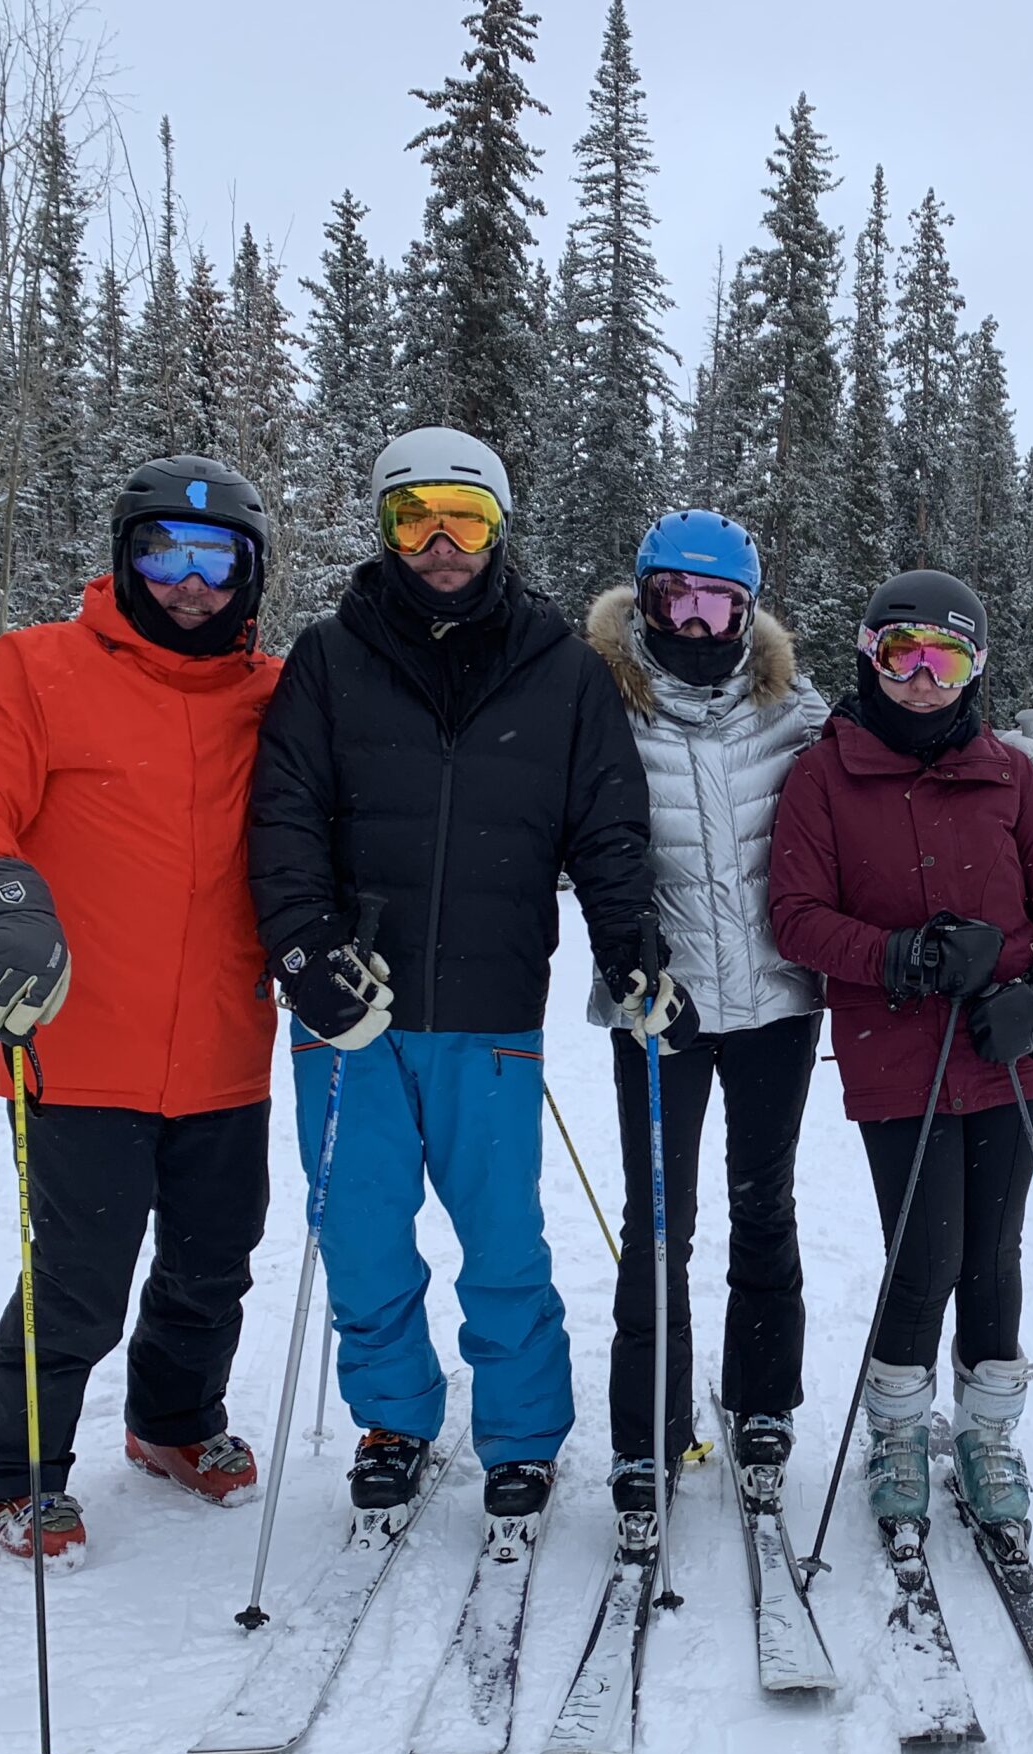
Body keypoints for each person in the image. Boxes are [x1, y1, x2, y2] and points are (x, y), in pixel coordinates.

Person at [248, 427, 655, 1531]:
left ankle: (521, 1436)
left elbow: (608, 832)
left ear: (498, 530)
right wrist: (304, 953)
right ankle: (395, 1419)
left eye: (464, 519)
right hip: (350, 1010)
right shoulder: (328, 660)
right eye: (415, 517)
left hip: (488, 1008)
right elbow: (281, 818)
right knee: (364, 1237)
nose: (440, 543)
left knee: (503, 1243)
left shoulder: (563, 672)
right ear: (383, 527)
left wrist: (630, 947)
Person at [0, 456, 283, 1567]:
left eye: (214, 559)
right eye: (162, 552)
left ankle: (174, 1422)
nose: (187, 582)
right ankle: (12, 1470)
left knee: (215, 1262)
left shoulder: (274, 694)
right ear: (125, 558)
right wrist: (6, 901)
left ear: (249, 573)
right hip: (76, 1042)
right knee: (78, 1278)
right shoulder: (40, 669)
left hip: (225, 1042)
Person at [770, 569, 1033, 1537]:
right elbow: (794, 918)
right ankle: (899, 1432)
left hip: (1009, 1045)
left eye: (945, 658)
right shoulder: (823, 776)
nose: (922, 678)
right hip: (895, 1045)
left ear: (974, 669)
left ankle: (987, 1433)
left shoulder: (1010, 775)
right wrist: (899, 957)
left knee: (994, 1255)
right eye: (901, 654)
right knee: (924, 1255)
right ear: (869, 657)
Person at [581, 509, 827, 1517]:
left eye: (716, 599)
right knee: (659, 1222)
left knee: (763, 1207)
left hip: (774, 1001)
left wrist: (1016, 776)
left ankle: (762, 1401)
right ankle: (648, 1425)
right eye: (674, 597)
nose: (694, 619)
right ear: (644, 600)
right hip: (659, 1004)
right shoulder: (599, 705)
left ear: (745, 608)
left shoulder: (796, 711)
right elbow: (557, 824)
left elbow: (891, 779)